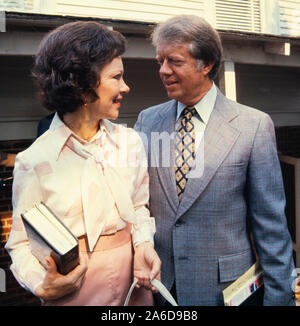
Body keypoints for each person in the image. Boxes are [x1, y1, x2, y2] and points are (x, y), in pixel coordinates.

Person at [134, 15, 295, 306]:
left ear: (206, 64)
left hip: (226, 291)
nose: (163, 70)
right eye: (160, 61)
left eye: (174, 61)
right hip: (160, 289)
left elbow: (271, 227)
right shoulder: (148, 121)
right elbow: (136, 200)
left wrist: (278, 298)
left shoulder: (253, 125)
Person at [5, 21, 161, 306]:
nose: (126, 87)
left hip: (134, 285)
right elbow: (21, 243)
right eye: (116, 77)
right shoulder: (34, 161)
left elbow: (139, 207)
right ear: (82, 84)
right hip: (73, 292)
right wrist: (43, 286)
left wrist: (143, 245)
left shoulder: (131, 142)